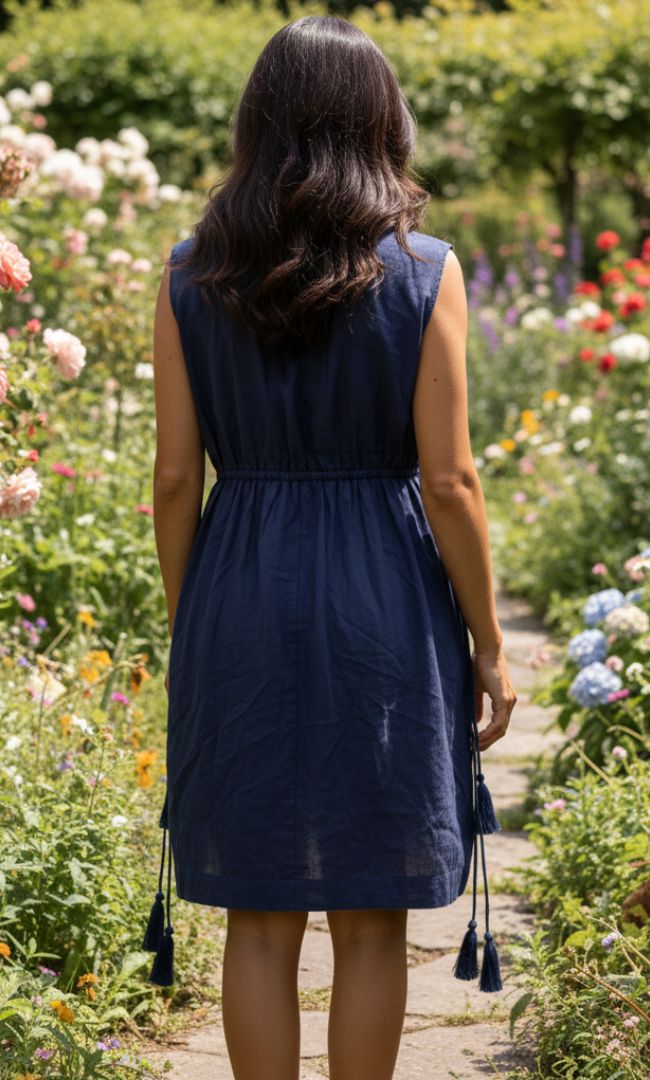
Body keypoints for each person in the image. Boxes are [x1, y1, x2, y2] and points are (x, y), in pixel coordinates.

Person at [146, 12, 517, 1080]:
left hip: (240, 586)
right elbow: (448, 480)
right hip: (384, 597)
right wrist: (488, 642)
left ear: (255, 124)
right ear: (379, 121)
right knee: (369, 908)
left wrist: (192, 614)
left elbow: (175, 477)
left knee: (257, 916)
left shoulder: (189, 274)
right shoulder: (422, 269)